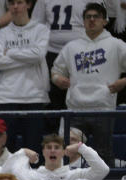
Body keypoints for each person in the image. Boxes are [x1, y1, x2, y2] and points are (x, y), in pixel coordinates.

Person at [51, 3, 126, 161]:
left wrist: (123, 82)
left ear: (105, 21)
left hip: (103, 109)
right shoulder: (72, 47)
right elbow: (55, 71)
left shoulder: (116, 45)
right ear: (83, 21)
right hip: (76, 109)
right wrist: (58, 79)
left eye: (96, 17)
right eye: (88, 17)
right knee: (69, 154)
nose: (92, 20)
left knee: (103, 157)